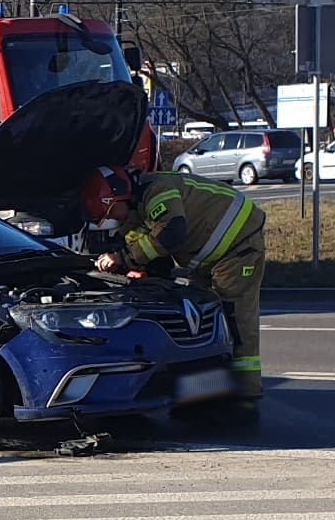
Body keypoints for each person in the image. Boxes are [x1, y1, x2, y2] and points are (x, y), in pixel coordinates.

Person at [80, 163, 267, 406]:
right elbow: (146, 250)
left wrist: (122, 258)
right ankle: (209, 391)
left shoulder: (158, 190)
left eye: (112, 213)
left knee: (234, 319)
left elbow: (171, 232)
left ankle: (245, 395)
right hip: (208, 258)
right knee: (203, 321)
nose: (114, 220)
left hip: (239, 246)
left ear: (120, 197)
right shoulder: (135, 211)